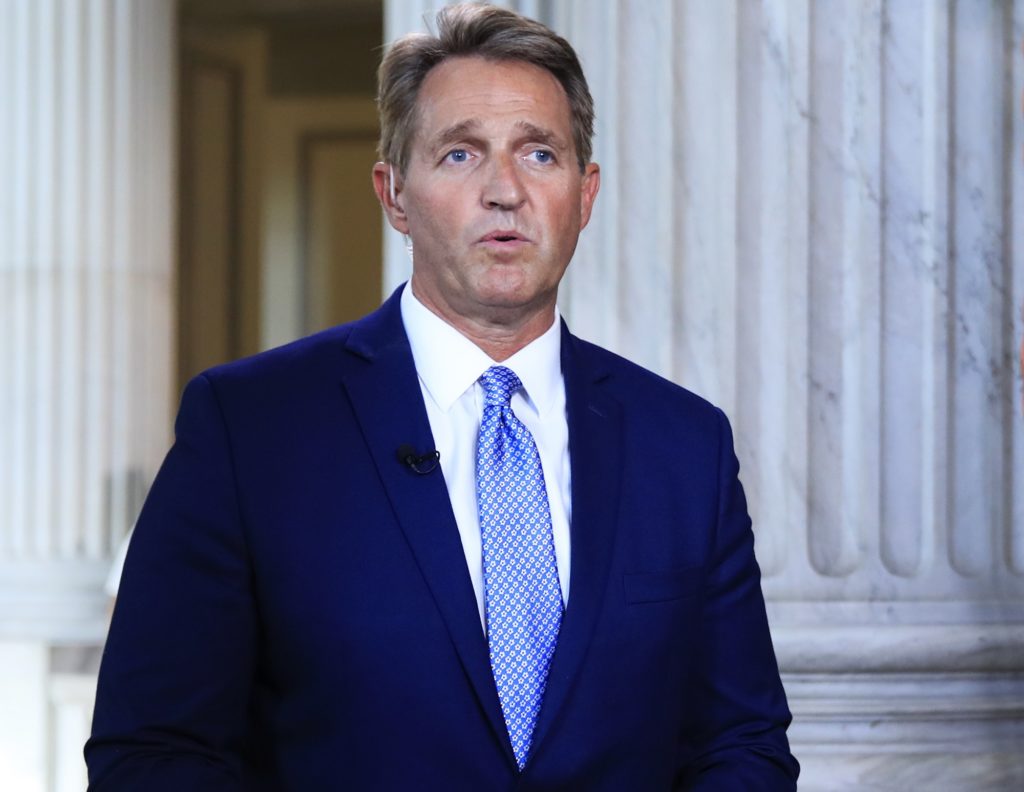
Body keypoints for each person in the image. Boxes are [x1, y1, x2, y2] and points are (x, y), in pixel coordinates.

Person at [85, 4, 798, 789]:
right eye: (461, 155)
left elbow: (742, 744)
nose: (505, 191)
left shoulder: (683, 445)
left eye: (539, 154)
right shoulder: (250, 429)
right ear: (394, 195)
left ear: (584, 194)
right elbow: (153, 752)